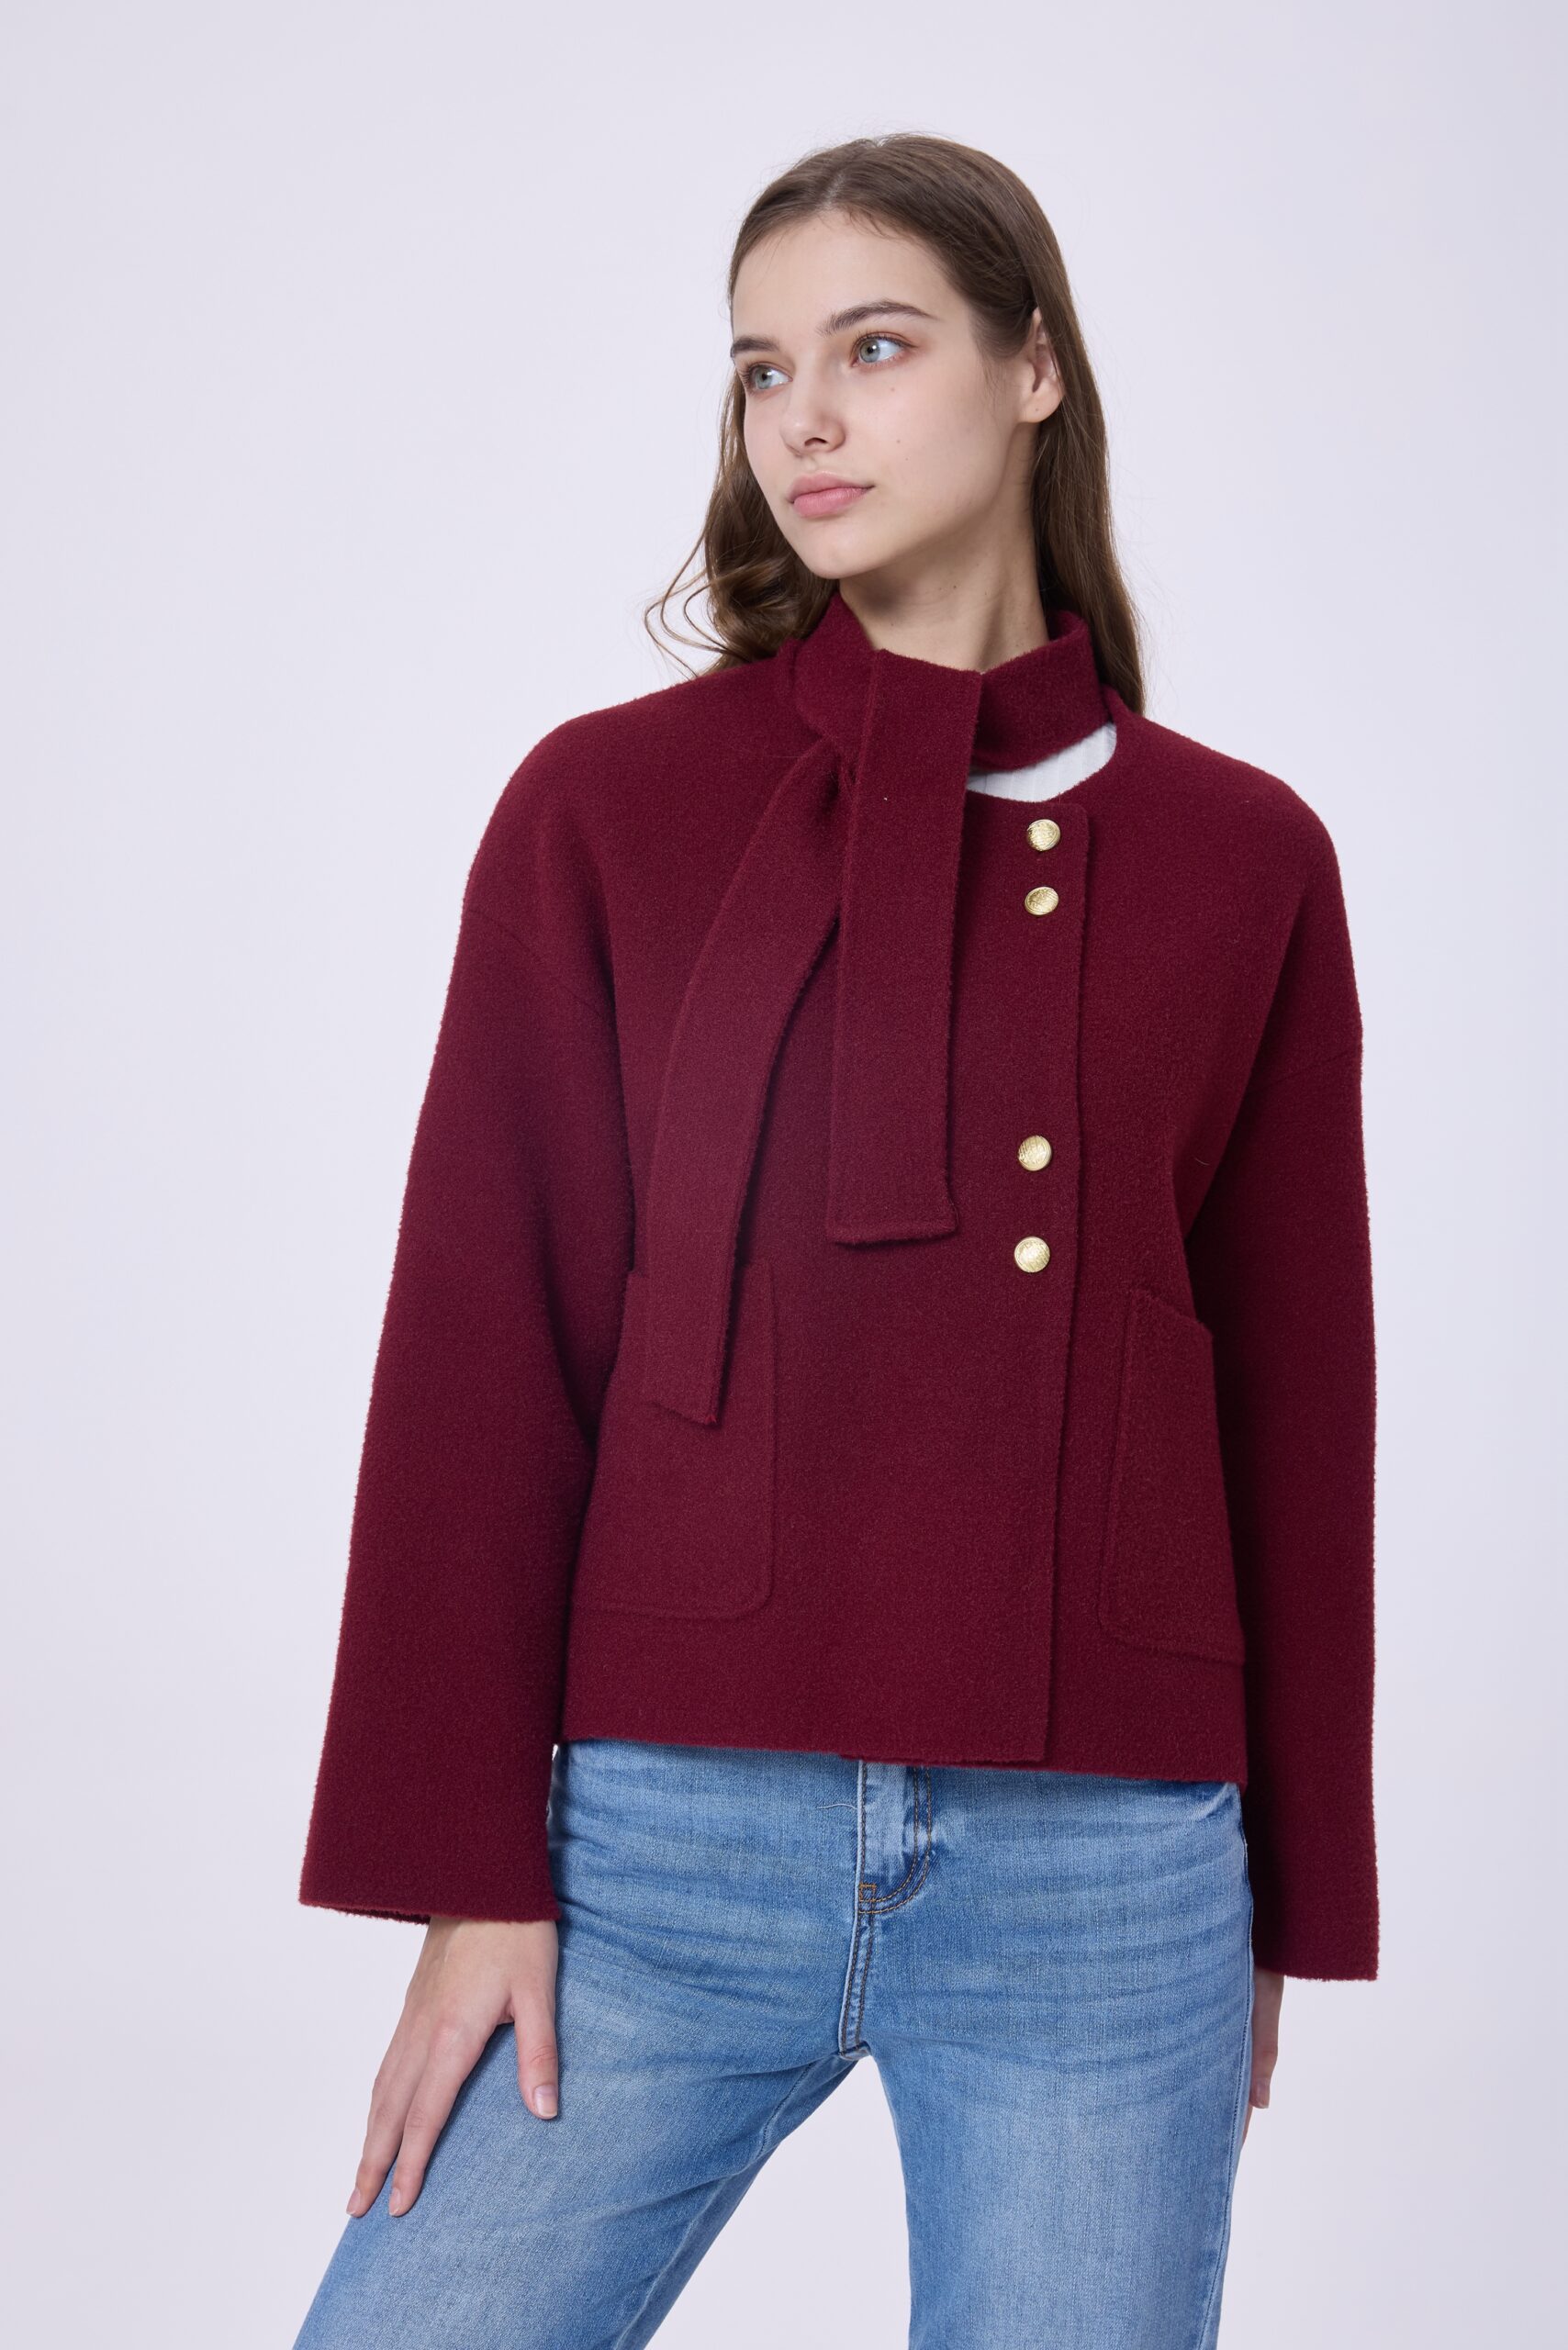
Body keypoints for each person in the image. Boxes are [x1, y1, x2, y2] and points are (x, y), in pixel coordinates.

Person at [291, 130, 1379, 2349]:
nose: (802, 417)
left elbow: (1293, 1389)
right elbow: (485, 1344)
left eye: (871, 348)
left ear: (1033, 368)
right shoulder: (601, 809)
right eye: (761, 367)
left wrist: (1281, 1894)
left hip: (1102, 1879)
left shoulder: (1241, 857)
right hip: (653, 1848)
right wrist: (466, 1868)